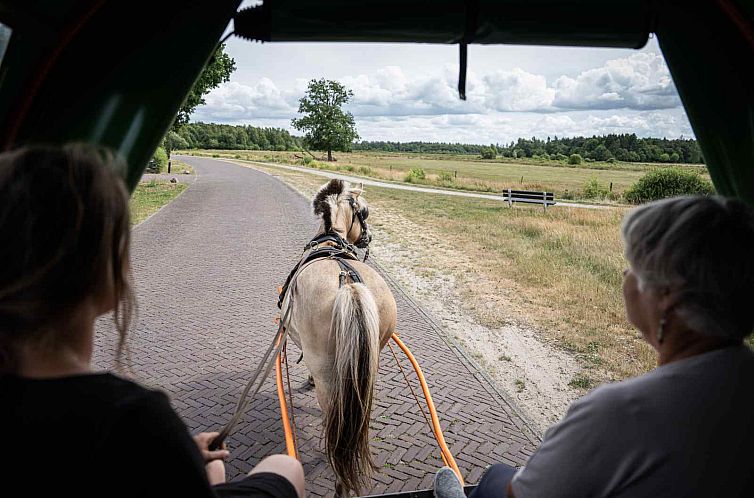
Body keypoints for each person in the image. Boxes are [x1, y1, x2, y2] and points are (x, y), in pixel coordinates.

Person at [0, 144, 305, 498]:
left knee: (214, 464)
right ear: (104, 275)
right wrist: (177, 450)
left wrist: (186, 451)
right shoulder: (135, 419)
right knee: (286, 467)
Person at [435, 195, 754, 498]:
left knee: (494, 478)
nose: (625, 276)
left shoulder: (620, 414)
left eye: (633, 266)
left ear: (666, 295)